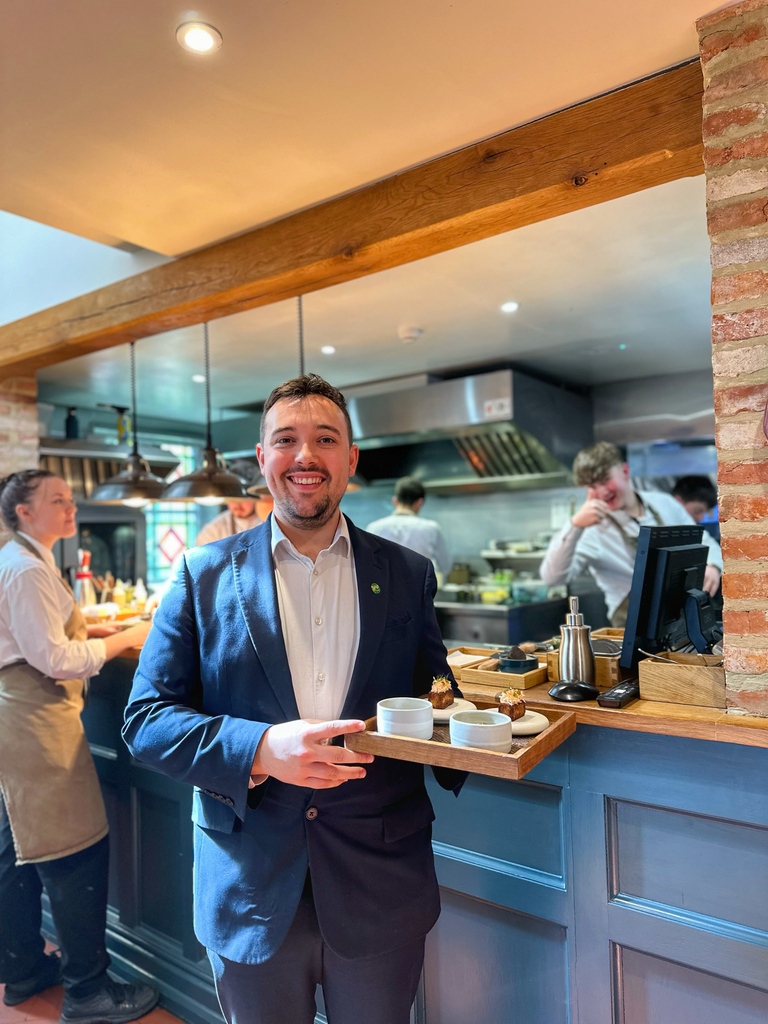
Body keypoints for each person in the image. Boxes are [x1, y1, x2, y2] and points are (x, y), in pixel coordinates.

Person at [123, 374, 464, 1024]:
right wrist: (258, 746)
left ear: (351, 460)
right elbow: (145, 721)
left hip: (380, 881)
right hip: (250, 882)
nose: (306, 456)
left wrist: (480, 730)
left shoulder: (407, 573)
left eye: (325, 439)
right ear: (262, 458)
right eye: (287, 440)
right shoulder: (201, 573)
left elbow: (436, 693)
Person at [0, 471, 159, 1024]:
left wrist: (95, 634)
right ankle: (88, 991)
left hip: (21, 718)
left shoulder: (24, 559)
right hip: (34, 721)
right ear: (23, 511)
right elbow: (54, 659)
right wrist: (129, 637)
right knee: (73, 849)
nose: (71, 508)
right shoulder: (23, 569)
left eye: (70, 498)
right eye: (57, 500)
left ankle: (22, 970)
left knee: (16, 851)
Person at [539, 442, 723, 628]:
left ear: (625, 471)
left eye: (604, 480)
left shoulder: (664, 503)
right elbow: (553, 578)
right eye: (591, 487)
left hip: (680, 621)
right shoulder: (590, 530)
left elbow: (704, 541)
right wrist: (575, 525)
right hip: (632, 629)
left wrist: (713, 565)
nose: (601, 492)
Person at [366, 476, 451, 586]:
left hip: (382, 594)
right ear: (420, 502)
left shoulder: (373, 528)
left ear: (395, 501)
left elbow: (366, 565)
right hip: (418, 595)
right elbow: (445, 566)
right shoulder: (431, 529)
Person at [195, 495, 274, 546]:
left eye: (243, 499)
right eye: (233, 498)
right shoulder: (213, 530)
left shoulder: (269, 520)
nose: (237, 505)